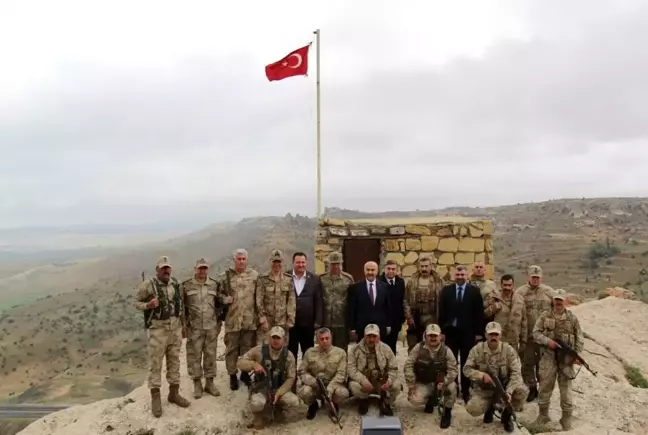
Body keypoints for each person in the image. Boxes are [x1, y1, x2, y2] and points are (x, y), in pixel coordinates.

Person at [133, 256, 190, 417]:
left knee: (174, 361)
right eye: (163, 268)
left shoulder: (175, 284)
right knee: (156, 364)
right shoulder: (148, 285)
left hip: (175, 329)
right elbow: (136, 302)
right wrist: (148, 305)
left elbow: (181, 306)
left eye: (168, 268)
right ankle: (156, 397)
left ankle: (174, 393)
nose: (166, 270)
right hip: (158, 330)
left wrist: (184, 325)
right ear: (157, 270)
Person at [532, 289, 584, 430]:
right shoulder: (545, 316)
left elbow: (579, 337)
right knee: (545, 387)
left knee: (566, 391)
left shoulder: (572, 318)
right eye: (556, 299)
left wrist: (576, 355)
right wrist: (547, 341)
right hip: (548, 357)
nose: (558, 302)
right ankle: (543, 416)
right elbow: (535, 333)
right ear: (553, 300)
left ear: (565, 301)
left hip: (566, 360)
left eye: (561, 300)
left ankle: (566, 420)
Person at [463, 322, 528, 433]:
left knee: (522, 391)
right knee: (472, 408)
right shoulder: (477, 350)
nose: (493, 337)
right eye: (491, 334)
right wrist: (482, 375)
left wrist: (509, 392)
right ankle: (490, 408)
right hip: (484, 390)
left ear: (500, 335)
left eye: (496, 334)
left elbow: (516, 373)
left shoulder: (509, 350)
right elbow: (466, 369)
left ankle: (506, 416)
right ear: (486, 335)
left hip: (504, 388)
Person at [237, 326, 300, 429]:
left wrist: (279, 393)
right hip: (262, 388)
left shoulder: (288, 355)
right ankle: (259, 414)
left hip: (279, 389)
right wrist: (253, 365)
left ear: (284, 339)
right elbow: (240, 362)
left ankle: (278, 407)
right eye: (273, 337)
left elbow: (291, 378)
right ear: (269, 338)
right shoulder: (259, 350)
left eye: (278, 338)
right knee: (257, 404)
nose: (275, 340)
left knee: (294, 402)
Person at [438, 264, 484, 403]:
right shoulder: (446, 291)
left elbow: (479, 314)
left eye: (462, 275)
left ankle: (465, 390)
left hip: (467, 332)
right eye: (457, 275)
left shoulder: (474, 291)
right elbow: (442, 312)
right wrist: (442, 330)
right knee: (451, 362)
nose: (460, 277)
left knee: (466, 362)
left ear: (467, 275)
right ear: (454, 276)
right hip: (450, 332)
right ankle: (453, 388)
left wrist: (478, 333)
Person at [217, 248, 259, 391]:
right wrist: (224, 299)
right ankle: (232, 375)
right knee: (231, 349)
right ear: (234, 260)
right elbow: (217, 296)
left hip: (249, 320)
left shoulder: (254, 276)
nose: (241, 261)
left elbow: (258, 296)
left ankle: (245, 374)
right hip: (232, 320)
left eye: (243, 259)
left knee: (248, 349)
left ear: (247, 260)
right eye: (238, 259)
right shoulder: (225, 277)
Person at [182, 257, 222, 398]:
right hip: (195, 328)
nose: (202, 270)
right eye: (200, 268)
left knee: (210, 355)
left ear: (207, 269)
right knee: (194, 356)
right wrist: (183, 325)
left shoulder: (214, 285)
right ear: (195, 269)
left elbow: (219, 304)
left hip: (211, 327)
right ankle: (197, 384)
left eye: (204, 268)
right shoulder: (186, 286)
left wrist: (218, 324)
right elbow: (182, 308)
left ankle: (210, 383)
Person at [404, 324, 457, 428]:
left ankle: (447, 412)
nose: (433, 338)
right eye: (430, 335)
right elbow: (408, 365)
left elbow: (453, 370)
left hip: (440, 383)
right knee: (414, 399)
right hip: (424, 382)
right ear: (425, 336)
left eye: (435, 336)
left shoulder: (446, 350)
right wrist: (411, 384)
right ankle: (430, 401)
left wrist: (444, 381)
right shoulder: (418, 348)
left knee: (452, 387)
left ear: (440, 336)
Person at [515, 265, 554, 402]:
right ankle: (532, 388)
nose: (535, 280)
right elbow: (517, 315)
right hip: (528, 336)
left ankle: (543, 389)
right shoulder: (520, 293)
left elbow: (558, 312)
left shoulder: (549, 292)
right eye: (533, 277)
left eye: (538, 277)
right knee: (527, 363)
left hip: (544, 337)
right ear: (528, 277)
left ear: (541, 277)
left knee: (543, 365)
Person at [347, 324, 401, 416]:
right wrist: (363, 380)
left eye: (374, 336)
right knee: (353, 385)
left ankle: (385, 401)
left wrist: (389, 380)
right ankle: (363, 400)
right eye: (369, 336)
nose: (371, 339)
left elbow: (393, 368)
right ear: (364, 336)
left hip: (380, 382)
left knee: (396, 386)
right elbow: (351, 369)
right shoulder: (354, 350)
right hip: (364, 382)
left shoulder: (386, 349)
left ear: (379, 336)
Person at [297, 327, 350, 419]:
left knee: (343, 393)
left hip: (333, 385)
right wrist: (312, 381)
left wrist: (330, 388)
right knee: (305, 392)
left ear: (331, 338)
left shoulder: (340, 353)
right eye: (322, 339)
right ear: (317, 340)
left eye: (327, 338)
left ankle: (333, 403)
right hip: (315, 386)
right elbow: (302, 371)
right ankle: (313, 405)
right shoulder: (310, 352)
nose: (325, 341)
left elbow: (341, 374)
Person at [403, 256, 445, 353]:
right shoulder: (412, 281)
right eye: (422, 266)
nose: (424, 269)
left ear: (431, 266)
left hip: (432, 318)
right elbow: (406, 300)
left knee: (431, 345)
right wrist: (408, 316)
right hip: (415, 318)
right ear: (418, 267)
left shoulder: (438, 281)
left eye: (426, 266)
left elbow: (444, 300)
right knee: (413, 346)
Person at [288, 252, 324, 361]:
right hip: (290, 323)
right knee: (290, 352)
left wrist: (318, 320)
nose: (301, 265)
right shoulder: (286, 277)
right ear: (293, 262)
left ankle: (307, 376)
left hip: (308, 323)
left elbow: (318, 300)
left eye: (303, 262)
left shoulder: (314, 279)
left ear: (306, 263)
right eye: (298, 262)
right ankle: (291, 376)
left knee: (308, 352)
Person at [255, 249, 296, 345]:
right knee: (264, 349)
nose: (277, 264)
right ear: (270, 262)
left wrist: (290, 319)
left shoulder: (288, 279)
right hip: (267, 322)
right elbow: (259, 299)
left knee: (281, 350)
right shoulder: (262, 279)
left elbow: (291, 300)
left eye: (279, 262)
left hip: (282, 322)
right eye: (274, 261)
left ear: (282, 262)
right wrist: (262, 318)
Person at [347, 261, 392, 343]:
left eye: (372, 270)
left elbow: (387, 308)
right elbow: (352, 309)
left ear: (377, 271)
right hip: (362, 327)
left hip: (380, 326)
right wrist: (352, 328)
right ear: (364, 271)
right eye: (368, 270)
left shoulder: (384, 287)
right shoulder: (355, 288)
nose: (370, 272)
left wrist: (388, 325)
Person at [483, 274, 527, 353]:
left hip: (513, 340)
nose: (507, 288)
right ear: (501, 285)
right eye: (505, 285)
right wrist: (492, 309)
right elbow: (483, 315)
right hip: (498, 339)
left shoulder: (519, 299)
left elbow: (524, 321)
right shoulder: (493, 298)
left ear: (513, 285)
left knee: (512, 363)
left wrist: (523, 340)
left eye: (509, 285)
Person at [320, 252, 354, 350]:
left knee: (342, 350)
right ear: (328, 264)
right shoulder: (321, 279)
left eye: (337, 264)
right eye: (333, 264)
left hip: (342, 322)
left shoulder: (348, 279)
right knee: (325, 349)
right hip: (326, 321)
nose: (335, 266)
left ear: (341, 264)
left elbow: (352, 301)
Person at [378, 259, 406, 355]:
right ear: (384, 269)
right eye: (388, 269)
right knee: (383, 344)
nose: (391, 271)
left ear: (397, 270)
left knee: (393, 344)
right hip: (383, 319)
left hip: (396, 320)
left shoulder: (400, 282)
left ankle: (392, 365)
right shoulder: (379, 282)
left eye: (393, 269)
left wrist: (403, 317)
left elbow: (402, 299)